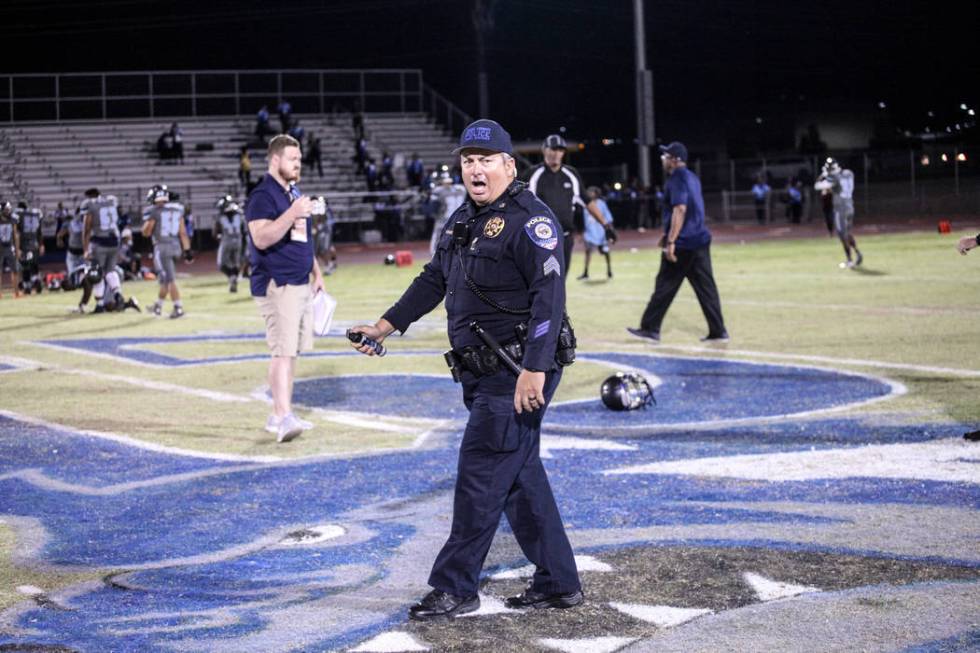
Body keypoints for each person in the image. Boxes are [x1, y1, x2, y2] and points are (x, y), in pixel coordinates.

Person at [349, 118, 583, 621]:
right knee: (519, 477)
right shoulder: (464, 218)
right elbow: (434, 279)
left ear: (508, 166)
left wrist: (533, 370)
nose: (475, 169)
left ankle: (456, 586)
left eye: (485, 160)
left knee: (480, 475)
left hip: (515, 368)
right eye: (468, 161)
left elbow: (549, 299)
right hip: (484, 372)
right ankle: (559, 582)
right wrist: (384, 326)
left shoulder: (530, 219)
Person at [245, 134, 325, 444]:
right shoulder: (262, 195)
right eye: (293, 159)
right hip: (277, 284)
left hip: (299, 281)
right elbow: (261, 238)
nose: (298, 164)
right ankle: (282, 415)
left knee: (291, 353)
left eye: (300, 159)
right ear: (275, 160)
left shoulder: (292, 192)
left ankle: (280, 414)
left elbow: (300, 237)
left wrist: (316, 271)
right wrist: (292, 212)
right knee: (282, 352)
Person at [627, 141, 729, 343]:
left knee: (664, 285)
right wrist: (666, 235)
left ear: (674, 160)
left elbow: (680, 209)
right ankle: (718, 331)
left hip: (683, 244)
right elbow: (692, 210)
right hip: (700, 240)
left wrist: (671, 240)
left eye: (666, 156)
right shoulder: (692, 177)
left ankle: (650, 328)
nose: (663, 159)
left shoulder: (676, 179)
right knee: (706, 288)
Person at [525, 134, 614, 277]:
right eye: (553, 149)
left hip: (565, 238)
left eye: (560, 150)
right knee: (541, 281)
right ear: (544, 150)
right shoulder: (532, 174)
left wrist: (606, 225)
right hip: (539, 240)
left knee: (560, 281)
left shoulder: (571, 174)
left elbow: (587, 202)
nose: (556, 153)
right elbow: (520, 203)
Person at [142, 184, 192, 318]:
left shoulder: (154, 210)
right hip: (176, 246)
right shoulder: (178, 209)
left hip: (162, 247)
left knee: (169, 279)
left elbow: (146, 232)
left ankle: (178, 307)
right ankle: (158, 305)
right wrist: (187, 250)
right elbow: (183, 232)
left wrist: (146, 226)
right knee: (165, 278)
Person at [81, 188, 130, 313]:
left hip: (100, 241)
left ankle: (100, 304)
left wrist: (85, 249)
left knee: (97, 273)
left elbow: (87, 228)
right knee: (110, 271)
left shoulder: (90, 205)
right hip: (114, 240)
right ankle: (118, 294)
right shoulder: (111, 201)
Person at [814, 157, 863, 268]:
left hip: (840, 209)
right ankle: (857, 253)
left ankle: (849, 260)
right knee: (848, 233)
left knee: (842, 235)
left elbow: (817, 186)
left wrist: (823, 174)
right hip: (850, 205)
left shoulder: (833, 177)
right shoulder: (849, 173)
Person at [428, 171, 468, 256]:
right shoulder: (461, 189)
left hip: (445, 219)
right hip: (460, 218)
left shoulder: (439, 191)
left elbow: (433, 206)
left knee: (438, 237)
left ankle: (434, 255)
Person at [578, 186, 614, 280]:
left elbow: (608, 218)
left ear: (596, 193)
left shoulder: (602, 204)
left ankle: (609, 270)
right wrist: (582, 233)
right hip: (590, 233)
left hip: (601, 232)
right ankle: (585, 273)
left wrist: (609, 231)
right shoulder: (585, 204)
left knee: (605, 252)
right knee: (588, 252)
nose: (589, 193)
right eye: (588, 192)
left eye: (591, 192)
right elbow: (583, 220)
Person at [215, 195, 245, 293]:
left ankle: (232, 278)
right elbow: (244, 229)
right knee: (235, 263)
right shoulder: (239, 214)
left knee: (222, 264)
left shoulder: (221, 217)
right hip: (238, 240)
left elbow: (215, 232)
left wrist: (219, 236)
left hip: (227, 240)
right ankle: (234, 279)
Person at [15, 202, 44, 294]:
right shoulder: (36, 214)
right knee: (34, 265)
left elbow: (17, 233)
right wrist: (41, 244)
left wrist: (17, 247)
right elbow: (40, 232)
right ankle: (36, 280)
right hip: (35, 244)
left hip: (25, 245)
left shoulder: (20, 215)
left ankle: (27, 286)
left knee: (25, 266)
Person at [0, 202, 20, 299]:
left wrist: (17, 249)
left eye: (8, 209)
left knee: (15, 270)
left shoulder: (13, 219)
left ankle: (16, 293)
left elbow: (15, 235)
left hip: (9, 246)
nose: (8, 211)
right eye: (6, 210)